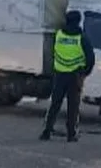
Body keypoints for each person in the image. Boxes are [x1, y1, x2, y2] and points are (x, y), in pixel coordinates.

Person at [41, 11, 96, 142]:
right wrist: (84, 73)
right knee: (73, 106)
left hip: (59, 75)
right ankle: (71, 134)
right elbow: (90, 59)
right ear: (78, 21)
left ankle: (47, 131)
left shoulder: (59, 35)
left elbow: (52, 52)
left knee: (55, 104)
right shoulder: (81, 38)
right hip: (75, 76)